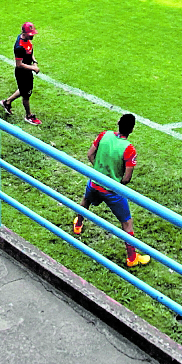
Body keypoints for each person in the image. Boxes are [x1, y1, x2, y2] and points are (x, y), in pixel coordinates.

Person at [71, 113, 150, 268]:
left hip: (94, 182)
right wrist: (114, 181)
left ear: (118, 122)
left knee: (85, 202)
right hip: (112, 191)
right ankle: (132, 258)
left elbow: (89, 154)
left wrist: (98, 170)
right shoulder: (129, 150)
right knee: (127, 223)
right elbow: (126, 178)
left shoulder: (104, 135)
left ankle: (78, 225)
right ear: (132, 130)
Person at [0, 22, 40, 125]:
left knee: (24, 90)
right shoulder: (20, 47)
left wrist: (34, 61)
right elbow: (19, 64)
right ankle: (28, 116)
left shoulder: (26, 40)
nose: (32, 36)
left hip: (27, 71)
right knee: (26, 95)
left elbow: (30, 51)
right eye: (30, 34)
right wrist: (33, 68)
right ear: (23, 32)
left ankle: (7, 102)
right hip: (22, 73)